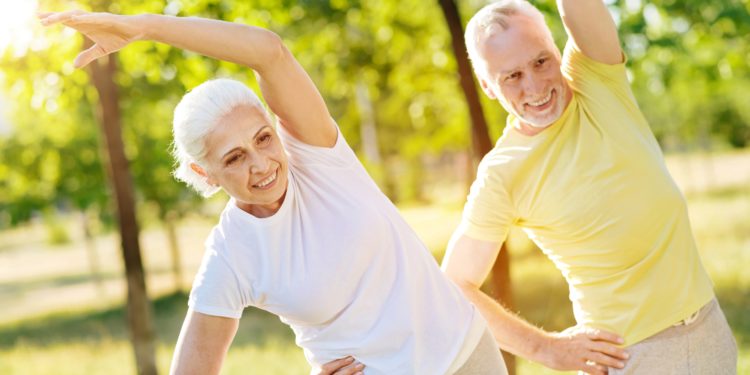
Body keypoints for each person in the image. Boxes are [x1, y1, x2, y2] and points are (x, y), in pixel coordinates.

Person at [39, 9, 507, 375]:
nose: (262, 164)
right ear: (205, 176)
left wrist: (143, 29)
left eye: (262, 138)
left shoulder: (317, 155)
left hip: (467, 358)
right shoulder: (231, 256)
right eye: (234, 158)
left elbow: (267, 50)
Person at [440, 0, 738, 374]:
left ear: (555, 47)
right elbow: (455, 286)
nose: (534, 86)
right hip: (631, 356)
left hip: (709, 330)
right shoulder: (502, 174)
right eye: (511, 77)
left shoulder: (594, 78)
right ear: (486, 86)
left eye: (540, 61)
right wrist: (546, 348)